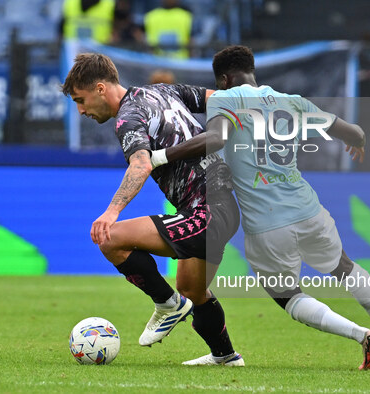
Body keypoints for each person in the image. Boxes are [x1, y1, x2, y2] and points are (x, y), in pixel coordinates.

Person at [151, 46, 370, 370]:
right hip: (308, 209)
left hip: (266, 224)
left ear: (223, 78)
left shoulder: (225, 99)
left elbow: (216, 139)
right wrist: (357, 141)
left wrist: (162, 156)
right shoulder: (293, 101)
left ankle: (362, 336)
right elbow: (355, 132)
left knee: (288, 296)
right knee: (345, 268)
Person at [61, 53, 244, 366]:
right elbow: (221, 99)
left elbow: (142, 163)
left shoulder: (128, 118)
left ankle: (167, 304)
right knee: (193, 288)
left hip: (207, 212)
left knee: (110, 238)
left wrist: (111, 211)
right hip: (214, 207)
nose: (80, 110)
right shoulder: (162, 91)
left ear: (101, 88)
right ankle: (225, 356)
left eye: (81, 99)